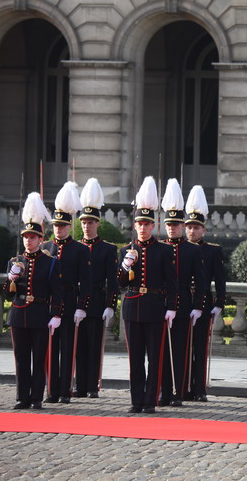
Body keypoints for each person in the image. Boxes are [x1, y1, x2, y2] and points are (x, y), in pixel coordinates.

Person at [117, 176, 178, 414]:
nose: (142, 228)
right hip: (132, 305)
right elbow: (120, 283)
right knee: (135, 359)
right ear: (135, 226)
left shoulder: (163, 250)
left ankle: (150, 400)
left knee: (155, 357)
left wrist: (171, 307)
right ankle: (136, 400)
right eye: (139, 224)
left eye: (147, 224)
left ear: (154, 226)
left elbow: (171, 282)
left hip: (154, 307)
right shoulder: (126, 250)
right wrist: (125, 267)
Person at [5, 192, 63, 409]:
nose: (28, 241)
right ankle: (22, 396)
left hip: (40, 314)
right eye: (25, 237)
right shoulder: (14, 261)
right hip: (19, 313)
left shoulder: (50, 263)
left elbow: (57, 292)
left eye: (32, 237)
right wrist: (11, 279)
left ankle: (37, 396)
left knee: (39, 358)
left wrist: (56, 313)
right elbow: (8, 293)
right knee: (21, 359)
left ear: (41, 239)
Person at [42, 181, 91, 404]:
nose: (58, 229)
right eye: (55, 226)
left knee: (67, 347)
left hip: (70, 300)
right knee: (50, 348)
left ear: (70, 226)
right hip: (50, 302)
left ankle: (64, 391)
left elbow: (86, 281)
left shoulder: (80, 249)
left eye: (62, 226)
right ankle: (51, 390)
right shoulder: (45, 248)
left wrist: (81, 306)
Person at [158, 178, 204, 407]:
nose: (172, 228)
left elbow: (202, 281)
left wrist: (197, 306)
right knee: (160, 349)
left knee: (179, 349)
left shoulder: (192, 250)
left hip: (184, 301)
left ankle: (177, 391)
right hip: (160, 301)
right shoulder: (158, 248)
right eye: (169, 224)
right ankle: (162, 391)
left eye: (176, 225)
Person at [74, 178, 119, 399]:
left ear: (98, 223)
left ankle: (92, 386)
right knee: (77, 347)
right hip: (76, 303)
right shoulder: (75, 247)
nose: (86, 225)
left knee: (93, 347)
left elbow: (113, 279)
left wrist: (111, 305)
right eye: (84, 222)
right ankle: (79, 386)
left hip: (96, 301)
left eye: (91, 222)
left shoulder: (107, 249)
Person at [184, 184, 227, 402]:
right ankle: (182, 386)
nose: (192, 231)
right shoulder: (177, 248)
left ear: (204, 230)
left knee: (200, 348)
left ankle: (199, 388)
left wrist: (219, 303)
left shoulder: (212, 250)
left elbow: (220, 280)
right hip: (182, 302)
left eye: (196, 227)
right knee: (182, 347)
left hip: (204, 303)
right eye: (189, 227)